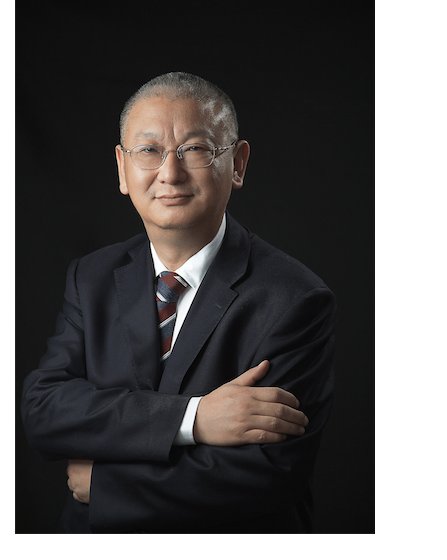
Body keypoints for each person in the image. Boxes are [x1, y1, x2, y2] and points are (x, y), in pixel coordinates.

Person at [21, 72, 336, 533]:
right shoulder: (91, 276)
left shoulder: (295, 299)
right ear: (122, 168)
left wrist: (108, 484)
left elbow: (271, 473)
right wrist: (194, 419)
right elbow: (45, 411)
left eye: (195, 149)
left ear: (238, 164)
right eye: (149, 150)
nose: (170, 173)